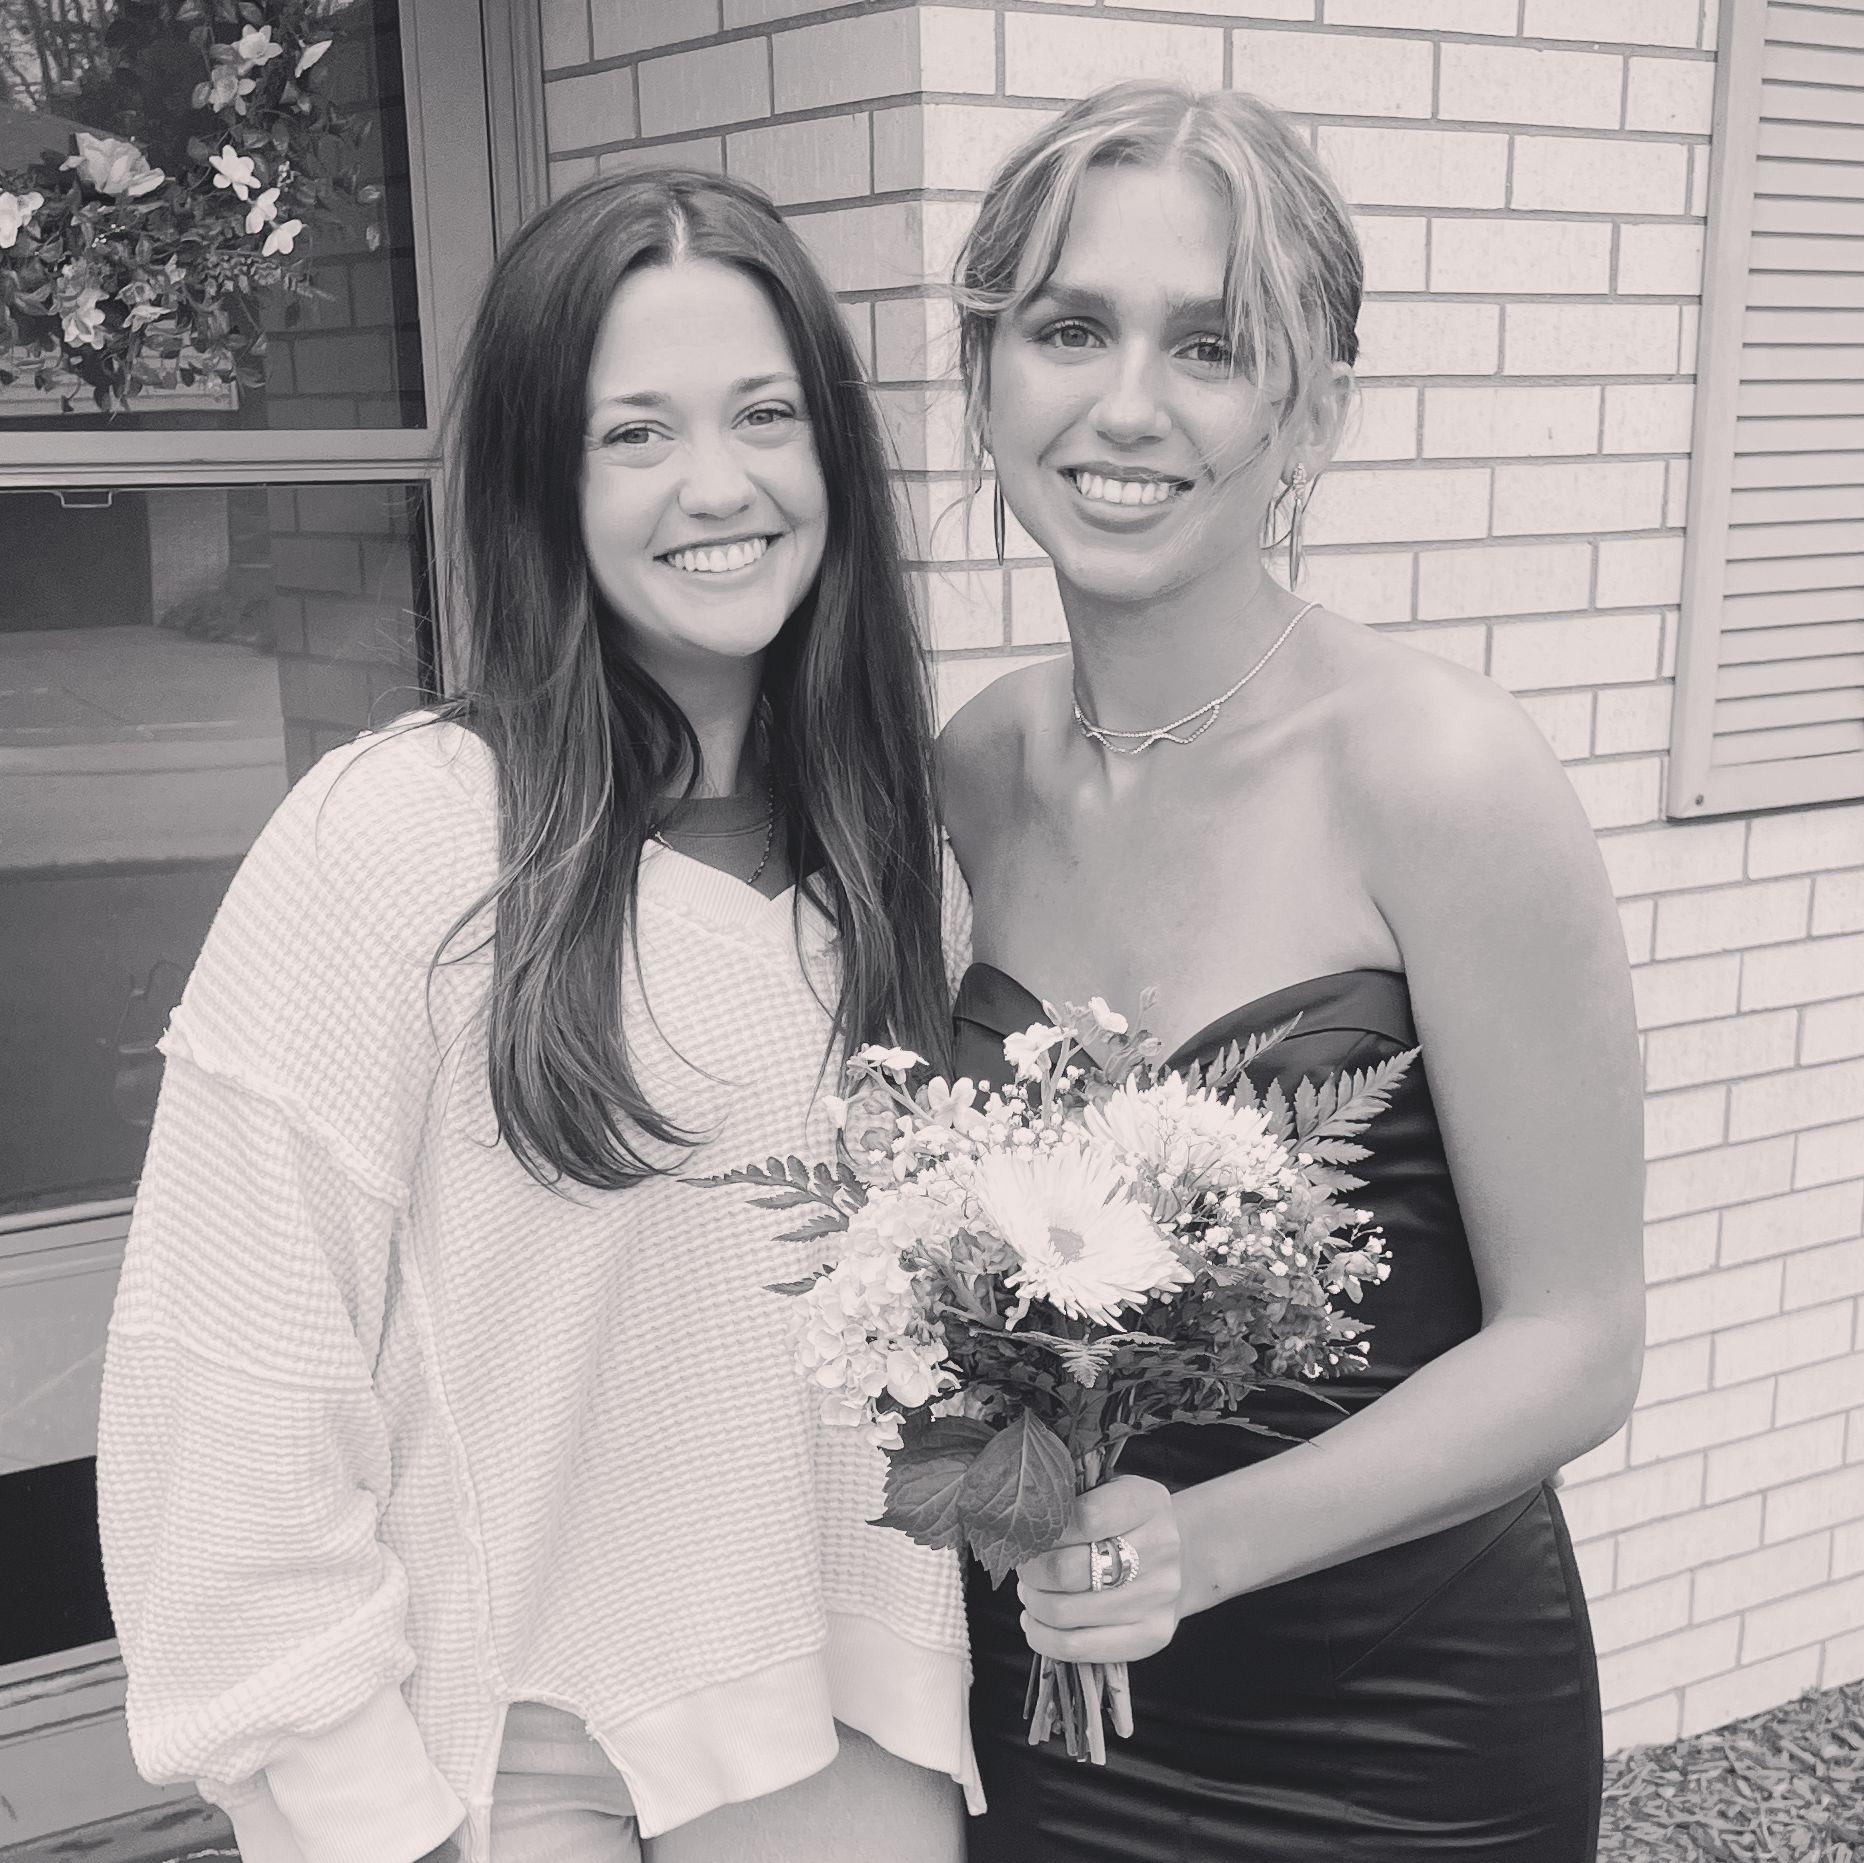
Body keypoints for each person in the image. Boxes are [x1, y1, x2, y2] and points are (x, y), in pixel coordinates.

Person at [96, 169, 977, 1863]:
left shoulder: (899, 865)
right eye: (634, 433)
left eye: (766, 414)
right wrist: (370, 1813)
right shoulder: (404, 839)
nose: (718, 484)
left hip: (848, 1714)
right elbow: (231, 1375)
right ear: (540, 481)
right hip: (512, 1761)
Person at [940, 82, 1645, 1862]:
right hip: (1047, 1714)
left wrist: (1200, 1545)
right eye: (1070, 328)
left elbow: (1576, 1345)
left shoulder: (1440, 776)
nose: (1127, 404)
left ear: (1310, 408)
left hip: (1396, 1736)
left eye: (1212, 345)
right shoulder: (976, 773)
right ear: (984, 375)